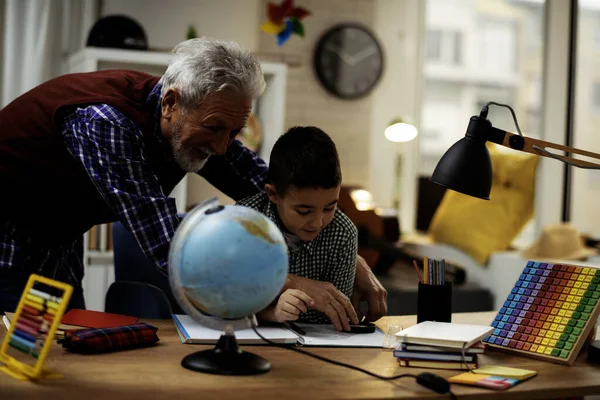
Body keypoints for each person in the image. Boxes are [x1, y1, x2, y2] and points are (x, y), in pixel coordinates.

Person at [0, 37, 387, 322]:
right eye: (215, 129)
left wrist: (345, 252)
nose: (222, 148)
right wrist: (294, 282)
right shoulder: (106, 124)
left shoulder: (200, 120)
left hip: (58, 238)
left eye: (234, 132)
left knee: (64, 353)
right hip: (8, 235)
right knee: (15, 359)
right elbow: (174, 248)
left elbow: (278, 190)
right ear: (171, 103)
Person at [237, 126, 357, 330]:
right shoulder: (243, 223)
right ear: (273, 194)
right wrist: (273, 312)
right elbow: (227, 300)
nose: (318, 222)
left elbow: (332, 317)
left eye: (330, 207)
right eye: (304, 211)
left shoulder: (343, 234)